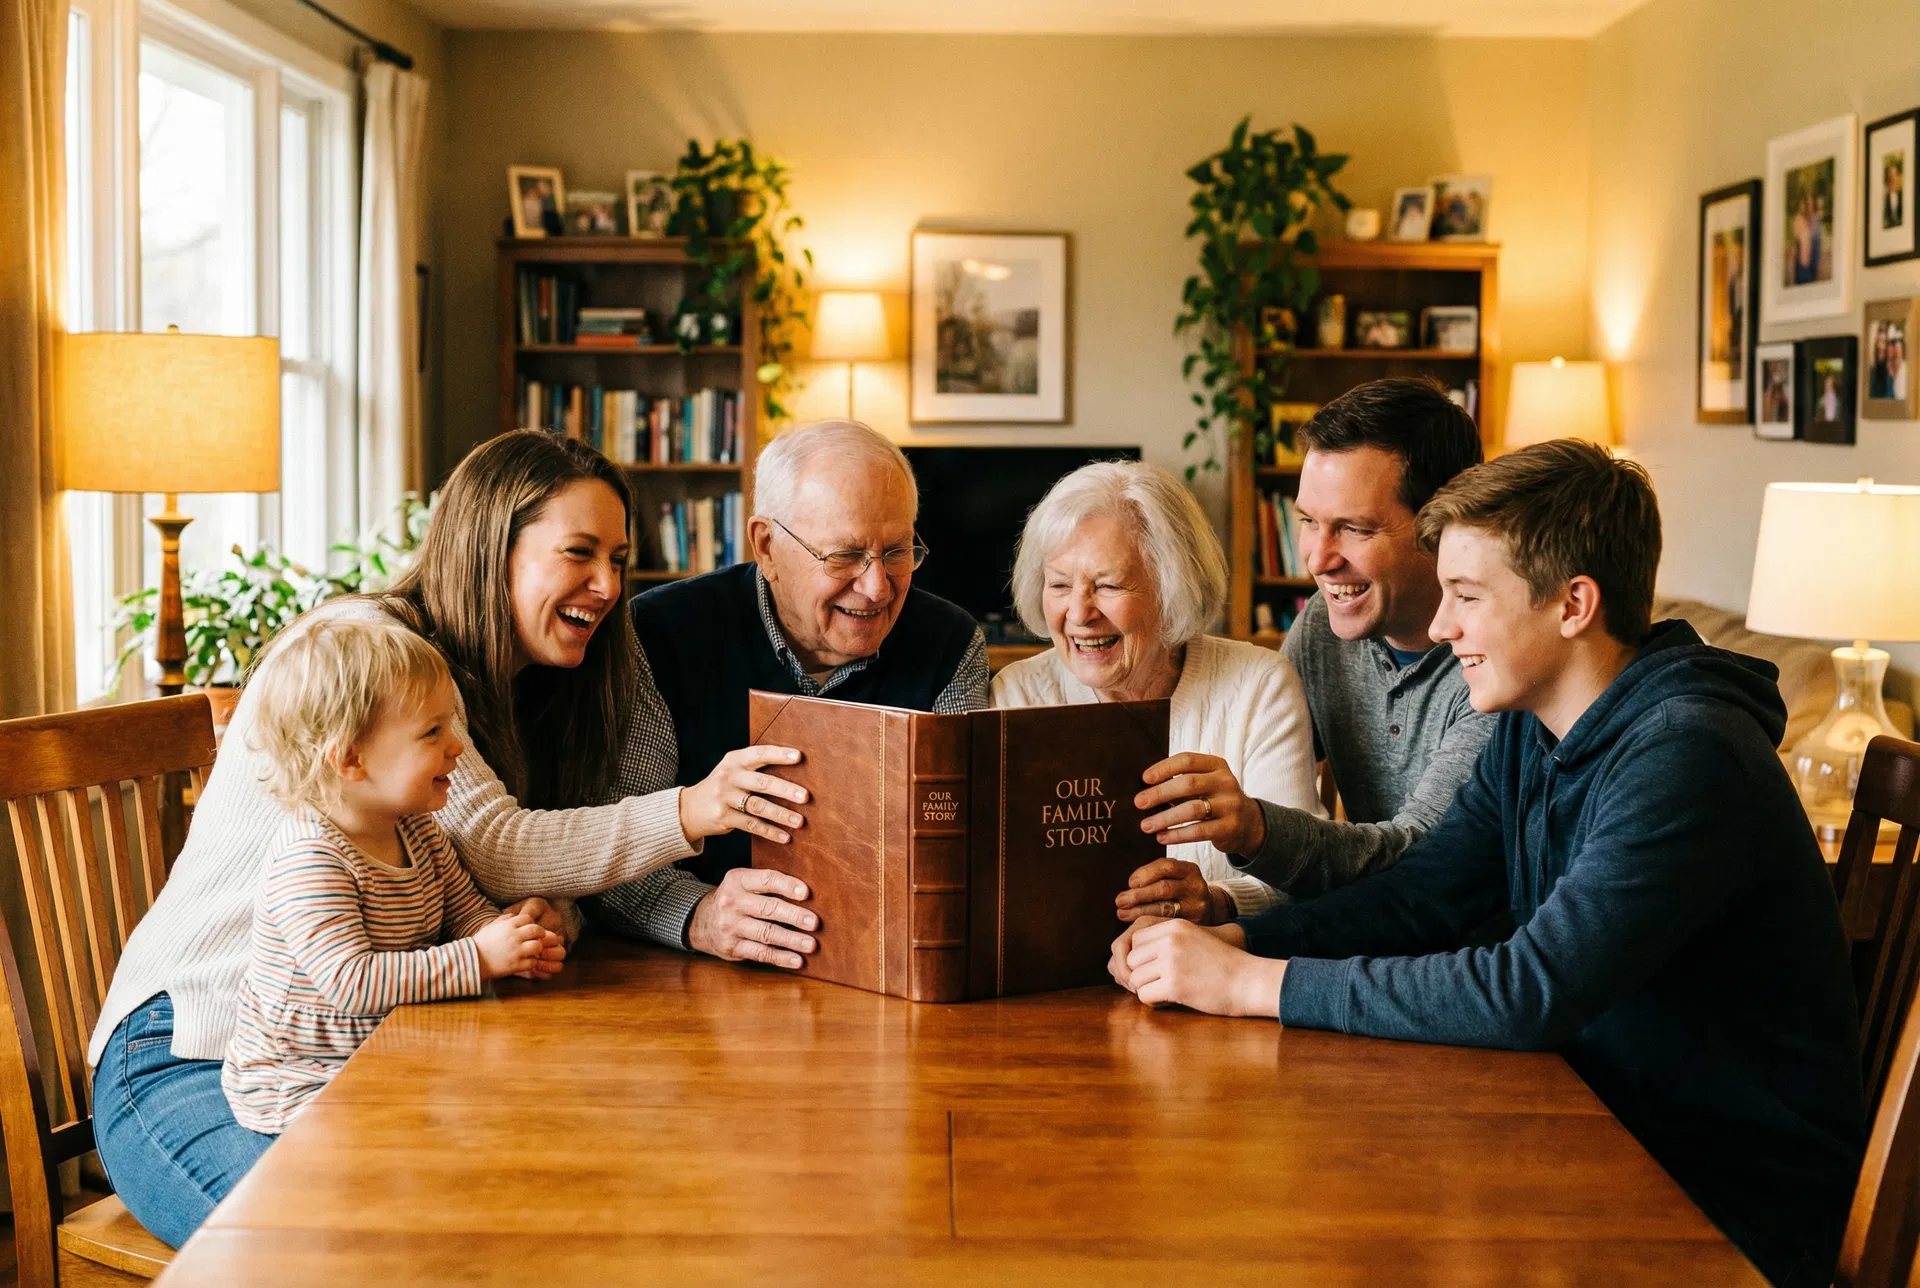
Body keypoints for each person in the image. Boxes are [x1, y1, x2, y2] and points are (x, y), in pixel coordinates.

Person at [1110, 440, 1865, 1287]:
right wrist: (1239, 936)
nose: (1440, 627)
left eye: (1467, 596)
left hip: (1722, 1194)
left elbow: (1529, 991)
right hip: (1597, 1122)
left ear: (1574, 603)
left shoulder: (1687, 756)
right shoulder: (1534, 723)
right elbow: (1424, 899)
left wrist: (1253, 987)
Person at [91, 430, 799, 1247]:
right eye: (578, 553)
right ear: (487, 546)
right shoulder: (372, 658)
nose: (608, 586)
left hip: (360, 1060)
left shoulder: (517, 690)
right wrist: (693, 810)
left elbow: (514, 889)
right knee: (330, 1248)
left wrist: (546, 914)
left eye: (617, 557)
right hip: (193, 1052)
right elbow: (500, 848)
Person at [586, 420, 988, 969]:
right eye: (843, 556)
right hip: (700, 984)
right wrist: (698, 915)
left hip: (891, 968)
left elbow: (962, 854)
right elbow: (613, 851)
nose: (876, 587)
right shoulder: (659, 634)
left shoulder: (952, 643)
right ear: (767, 545)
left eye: (896, 552)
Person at [223, 619, 563, 1135]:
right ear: (351, 758)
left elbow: (464, 911)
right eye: (432, 731)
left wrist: (513, 937)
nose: (456, 746)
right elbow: (352, 983)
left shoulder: (418, 830)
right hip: (303, 1087)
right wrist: (481, 957)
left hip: (385, 1058)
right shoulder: (312, 858)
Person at [1191, 379, 1494, 907]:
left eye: (1354, 529)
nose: (1316, 559)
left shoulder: (1498, 658)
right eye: (1308, 521)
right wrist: (1218, 901)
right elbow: (1254, 766)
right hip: (1362, 931)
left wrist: (1256, 830)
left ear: (1444, 523)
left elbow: (1421, 857)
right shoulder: (1319, 632)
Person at [991, 460, 1320, 923]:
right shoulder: (1018, 695)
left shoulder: (1258, 685)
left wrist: (1217, 902)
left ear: (1173, 589)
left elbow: (1303, 876)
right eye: (1060, 584)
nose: (1080, 613)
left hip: (1203, 972)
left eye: (1108, 585)